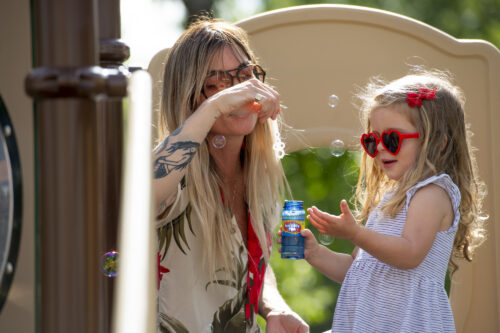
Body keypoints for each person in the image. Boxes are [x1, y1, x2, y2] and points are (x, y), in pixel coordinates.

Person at [153, 17, 309, 333]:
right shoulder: (177, 177)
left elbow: (247, 264)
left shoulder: (257, 176)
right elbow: (139, 195)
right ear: (189, 98)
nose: (238, 92)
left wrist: (274, 306)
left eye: (244, 75)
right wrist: (215, 108)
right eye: (216, 83)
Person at [300, 68, 487, 332]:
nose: (380, 147)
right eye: (372, 139)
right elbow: (358, 271)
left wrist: (354, 233)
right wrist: (315, 253)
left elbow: (409, 254)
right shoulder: (386, 198)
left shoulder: (432, 194)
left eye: (392, 138)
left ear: (438, 142)